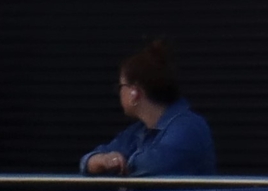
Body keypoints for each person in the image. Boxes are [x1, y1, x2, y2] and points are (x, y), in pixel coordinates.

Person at [82, 40, 216, 176]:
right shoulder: (136, 132)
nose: (119, 93)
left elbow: (154, 165)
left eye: (121, 87)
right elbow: (88, 161)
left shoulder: (189, 127)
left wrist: (118, 163)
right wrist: (101, 160)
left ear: (134, 93)